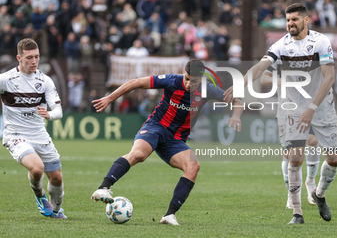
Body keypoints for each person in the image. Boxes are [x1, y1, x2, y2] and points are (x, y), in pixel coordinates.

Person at [91, 59, 243, 225]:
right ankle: (103, 188)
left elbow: (237, 101)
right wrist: (110, 98)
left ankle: (169, 215)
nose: (187, 84)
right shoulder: (171, 80)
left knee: (193, 167)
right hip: (155, 127)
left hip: (176, 140)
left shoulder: (207, 90)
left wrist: (235, 115)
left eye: (193, 81)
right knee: (139, 154)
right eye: (186, 78)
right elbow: (136, 82)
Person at [225, 3, 337, 224]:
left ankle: (319, 194)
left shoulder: (321, 42)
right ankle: (297, 212)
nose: (290, 24)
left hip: (322, 106)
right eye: (288, 20)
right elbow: (259, 69)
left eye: (294, 19)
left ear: (306, 20)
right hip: (293, 107)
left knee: (334, 159)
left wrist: (312, 108)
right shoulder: (281, 45)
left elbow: (329, 78)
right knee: (295, 157)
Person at [0, 38, 66, 218]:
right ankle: (40, 196)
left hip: (39, 134)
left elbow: (58, 110)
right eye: (29, 57)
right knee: (37, 168)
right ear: (19, 58)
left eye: (37, 57)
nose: (34, 61)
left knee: (57, 177)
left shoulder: (45, 81)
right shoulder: (6, 79)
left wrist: (49, 114)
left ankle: (57, 210)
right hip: (16, 135)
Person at [261, 65, 320, 208]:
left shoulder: (314, 50)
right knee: (289, 154)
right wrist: (279, 80)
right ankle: (291, 193)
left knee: (313, 141)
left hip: (309, 105)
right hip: (287, 109)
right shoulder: (280, 53)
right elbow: (264, 78)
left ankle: (310, 182)